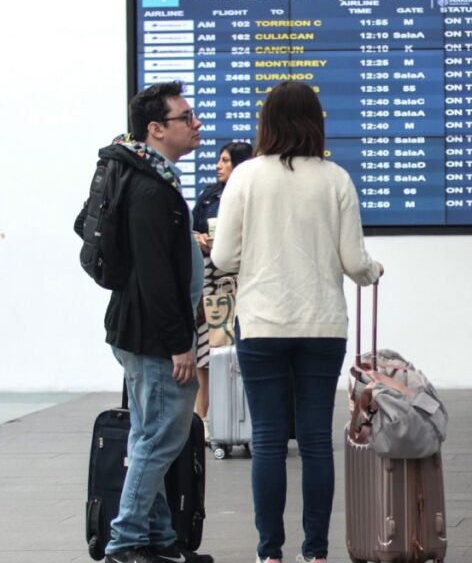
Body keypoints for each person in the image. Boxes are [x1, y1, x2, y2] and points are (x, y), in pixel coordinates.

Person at [211, 81, 382, 563]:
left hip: (262, 323)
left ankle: (269, 553)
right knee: (314, 441)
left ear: (266, 121)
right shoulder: (335, 179)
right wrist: (373, 271)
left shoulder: (244, 177)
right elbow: (355, 262)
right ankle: (317, 553)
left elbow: (223, 256)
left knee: (266, 439)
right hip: (323, 323)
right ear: (316, 121)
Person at [100, 81, 214, 563]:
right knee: (159, 439)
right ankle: (124, 544)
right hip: (154, 337)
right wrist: (179, 344)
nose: (196, 124)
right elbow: (155, 276)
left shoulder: (146, 179)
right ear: (155, 129)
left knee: (154, 439)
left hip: (143, 332)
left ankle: (160, 540)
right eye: (185, 118)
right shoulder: (149, 188)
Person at [192, 141, 253, 442]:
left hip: (242, 280)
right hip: (211, 282)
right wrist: (199, 237)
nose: (219, 165)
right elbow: (189, 229)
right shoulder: (208, 196)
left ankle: (242, 420)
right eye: (219, 159)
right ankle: (202, 419)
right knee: (206, 350)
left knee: (240, 351)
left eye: (226, 160)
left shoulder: (252, 196)